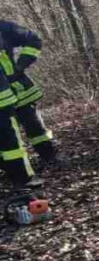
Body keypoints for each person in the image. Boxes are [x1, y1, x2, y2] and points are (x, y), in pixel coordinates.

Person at [0, 19, 56, 189]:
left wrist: (21, 65)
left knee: (33, 126)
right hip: (3, 95)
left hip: (17, 87)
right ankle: (20, 177)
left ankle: (49, 156)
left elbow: (34, 40)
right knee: (8, 140)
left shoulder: (5, 28)